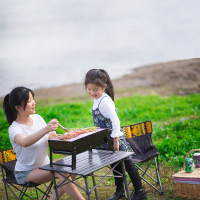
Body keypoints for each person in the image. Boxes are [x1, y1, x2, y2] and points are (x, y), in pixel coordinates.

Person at [3, 86, 85, 200]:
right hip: (26, 172)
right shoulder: (14, 129)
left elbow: (45, 136)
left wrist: (51, 136)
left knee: (70, 169)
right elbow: (24, 142)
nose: (34, 103)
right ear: (18, 107)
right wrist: (46, 130)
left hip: (46, 165)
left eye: (33, 99)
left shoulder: (37, 118)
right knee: (61, 172)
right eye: (29, 101)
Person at [84, 69, 147, 200]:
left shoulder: (105, 100)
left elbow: (116, 120)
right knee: (115, 165)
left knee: (128, 165)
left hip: (114, 139)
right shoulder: (98, 99)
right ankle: (120, 191)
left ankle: (140, 191)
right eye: (89, 89)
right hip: (106, 140)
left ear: (104, 87)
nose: (92, 93)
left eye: (95, 89)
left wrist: (116, 140)